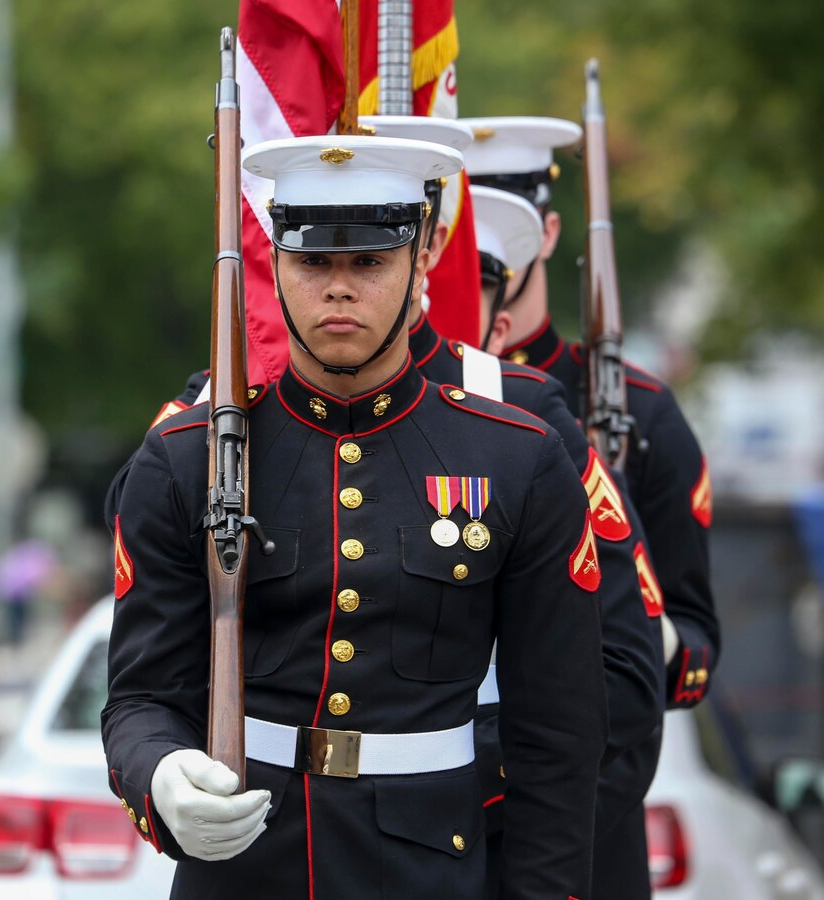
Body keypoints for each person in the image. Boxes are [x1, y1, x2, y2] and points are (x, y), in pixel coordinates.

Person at [102, 134, 608, 900]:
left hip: (428, 871)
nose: (339, 289)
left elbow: (558, 737)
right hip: (244, 872)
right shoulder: (187, 457)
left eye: (369, 261)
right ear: (274, 266)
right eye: (313, 261)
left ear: (420, 262)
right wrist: (160, 776)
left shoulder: (517, 457)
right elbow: (140, 699)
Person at [461, 115, 721, 899]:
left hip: (586, 812)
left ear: (544, 231)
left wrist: (648, 626)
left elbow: (691, 653)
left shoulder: (635, 413)